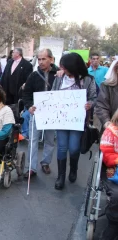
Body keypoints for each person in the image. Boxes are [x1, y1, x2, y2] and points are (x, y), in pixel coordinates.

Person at [51, 52, 96, 190]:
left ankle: (74, 168)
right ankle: (61, 176)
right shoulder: (59, 78)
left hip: (77, 120)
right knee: (62, 147)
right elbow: (52, 93)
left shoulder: (88, 79)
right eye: (62, 67)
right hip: (61, 119)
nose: (63, 69)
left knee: (74, 147)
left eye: (66, 67)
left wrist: (89, 104)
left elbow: (94, 97)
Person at [22, 49, 58, 178]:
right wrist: (29, 106)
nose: (41, 62)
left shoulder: (59, 74)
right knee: (33, 140)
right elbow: (26, 93)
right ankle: (31, 168)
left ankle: (45, 163)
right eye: (39, 59)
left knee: (49, 139)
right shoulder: (34, 75)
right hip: (36, 112)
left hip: (52, 113)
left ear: (51, 59)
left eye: (44, 59)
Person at [99, 109, 118, 240]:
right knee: (117, 195)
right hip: (113, 169)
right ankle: (113, 223)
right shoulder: (110, 132)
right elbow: (106, 154)